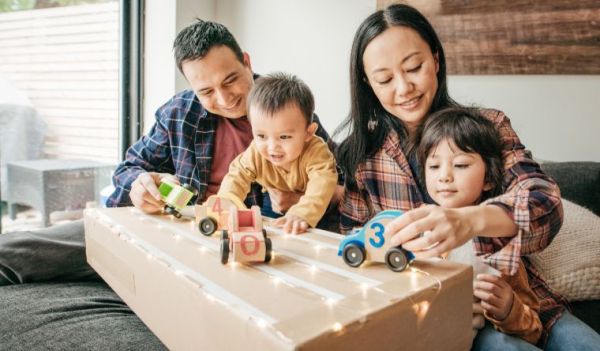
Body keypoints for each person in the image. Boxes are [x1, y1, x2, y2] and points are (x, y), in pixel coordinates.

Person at [335, 3, 600, 350]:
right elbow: (353, 247)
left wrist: (469, 220)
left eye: (414, 67)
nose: (404, 88)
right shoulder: (362, 157)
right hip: (436, 318)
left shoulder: (487, 127)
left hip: (520, 301)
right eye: (384, 79)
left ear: (436, 60)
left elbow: (545, 202)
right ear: (368, 84)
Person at [417, 107, 542, 346]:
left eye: (461, 165)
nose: (444, 176)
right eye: (434, 166)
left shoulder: (497, 240)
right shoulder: (415, 224)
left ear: (489, 179)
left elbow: (534, 330)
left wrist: (509, 309)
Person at [217, 73, 338, 234]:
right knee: (267, 232)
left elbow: (322, 183)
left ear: (308, 133)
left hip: (316, 209)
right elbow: (237, 175)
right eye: (261, 136)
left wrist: (302, 213)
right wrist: (227, 199)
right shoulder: (256, 152)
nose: (272, 147)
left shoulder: (316, 151)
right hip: (272, 204)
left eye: (284, 137)